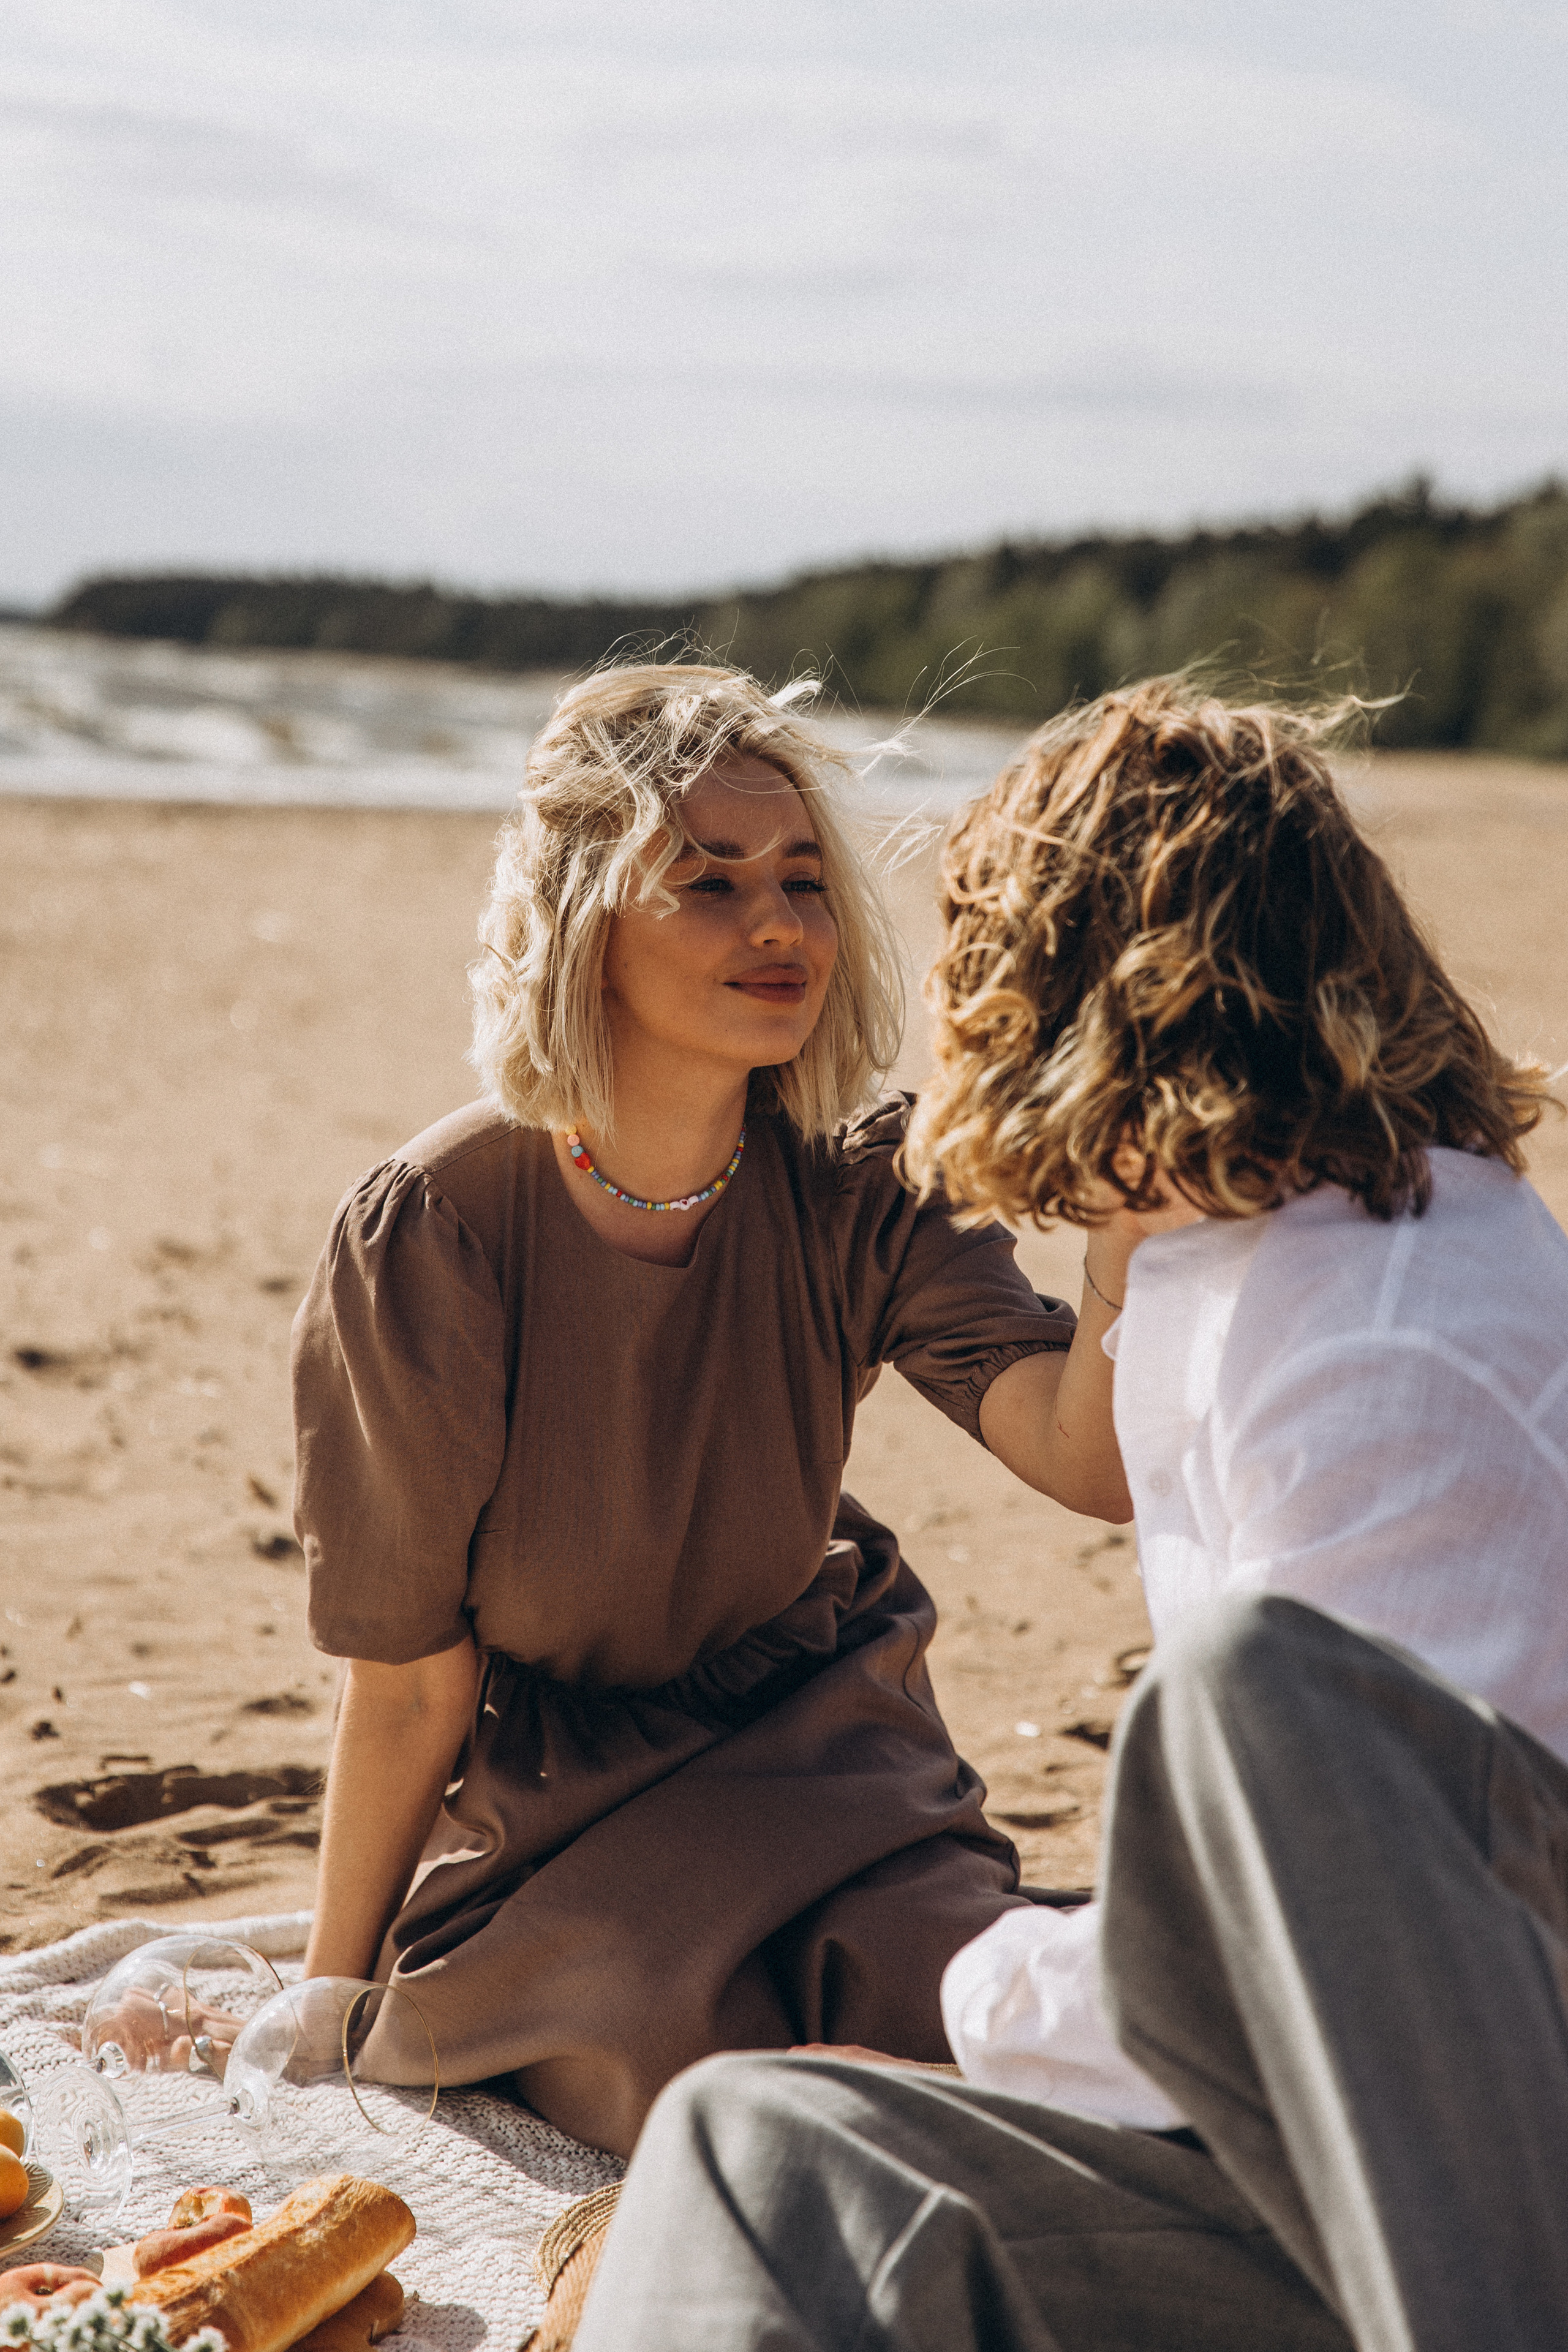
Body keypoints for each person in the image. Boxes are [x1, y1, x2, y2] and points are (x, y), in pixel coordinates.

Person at [575, 679, 1568, 2352]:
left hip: (1487, 2197)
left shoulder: (1391, 1323)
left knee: (1255, 1697)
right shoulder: (1259, 1255)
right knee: (759, 2147)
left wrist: (984, 1995)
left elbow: (1355, 1941)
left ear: (1100, 996)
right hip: (1341, 2184)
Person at [291, 662, 1134, 2165]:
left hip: (820, 1745)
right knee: (686, 2091)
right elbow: (414, 1683)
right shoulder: (436, 1230)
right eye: (708, 881)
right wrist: (327, 1992)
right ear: (580, 922)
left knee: (988, 2026)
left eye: (803, 879)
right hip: (563, 1810)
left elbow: (1089, 1460)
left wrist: (1131, 1226)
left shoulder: (858, 1182)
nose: (776, 926)